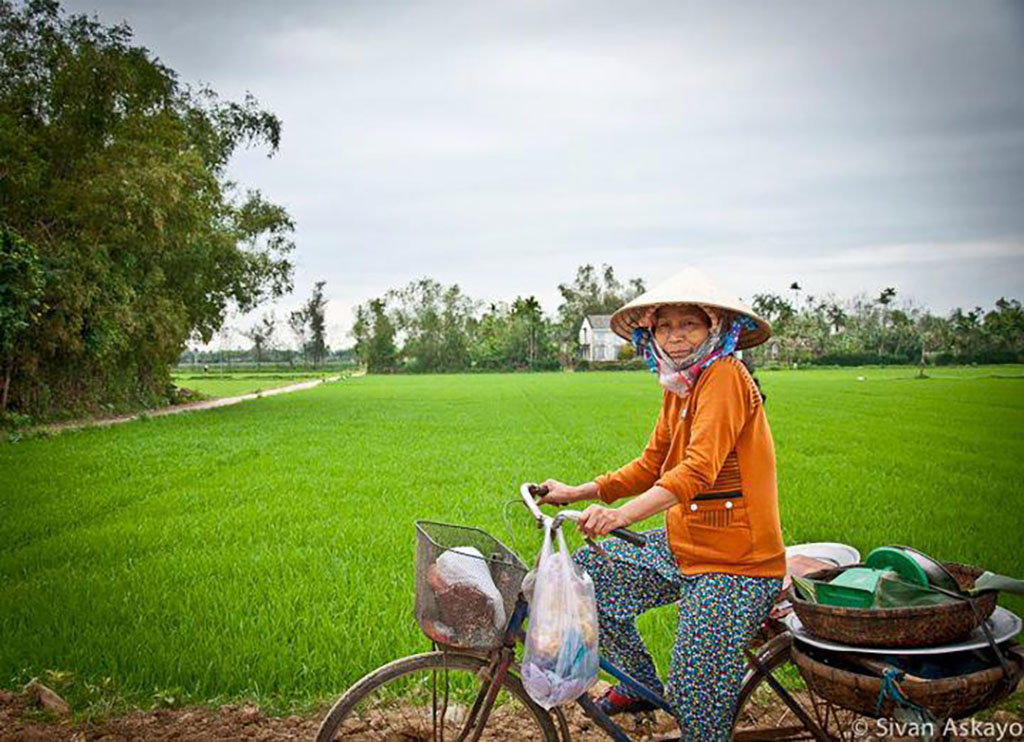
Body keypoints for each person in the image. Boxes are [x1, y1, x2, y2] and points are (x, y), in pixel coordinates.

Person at [538, 266, 785, 741]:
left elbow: (696, 471)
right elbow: (653, 464)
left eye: (688, 324)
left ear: (715, 327)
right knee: (590, 585)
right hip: (686, 544)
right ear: (651, 333)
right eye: (665, 326)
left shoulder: (725, 377)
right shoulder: (682, 386)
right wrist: (577, 491)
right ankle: (642, 689)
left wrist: (621, 515)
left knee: (696, 690)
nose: (675, 337)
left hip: (736, 564)